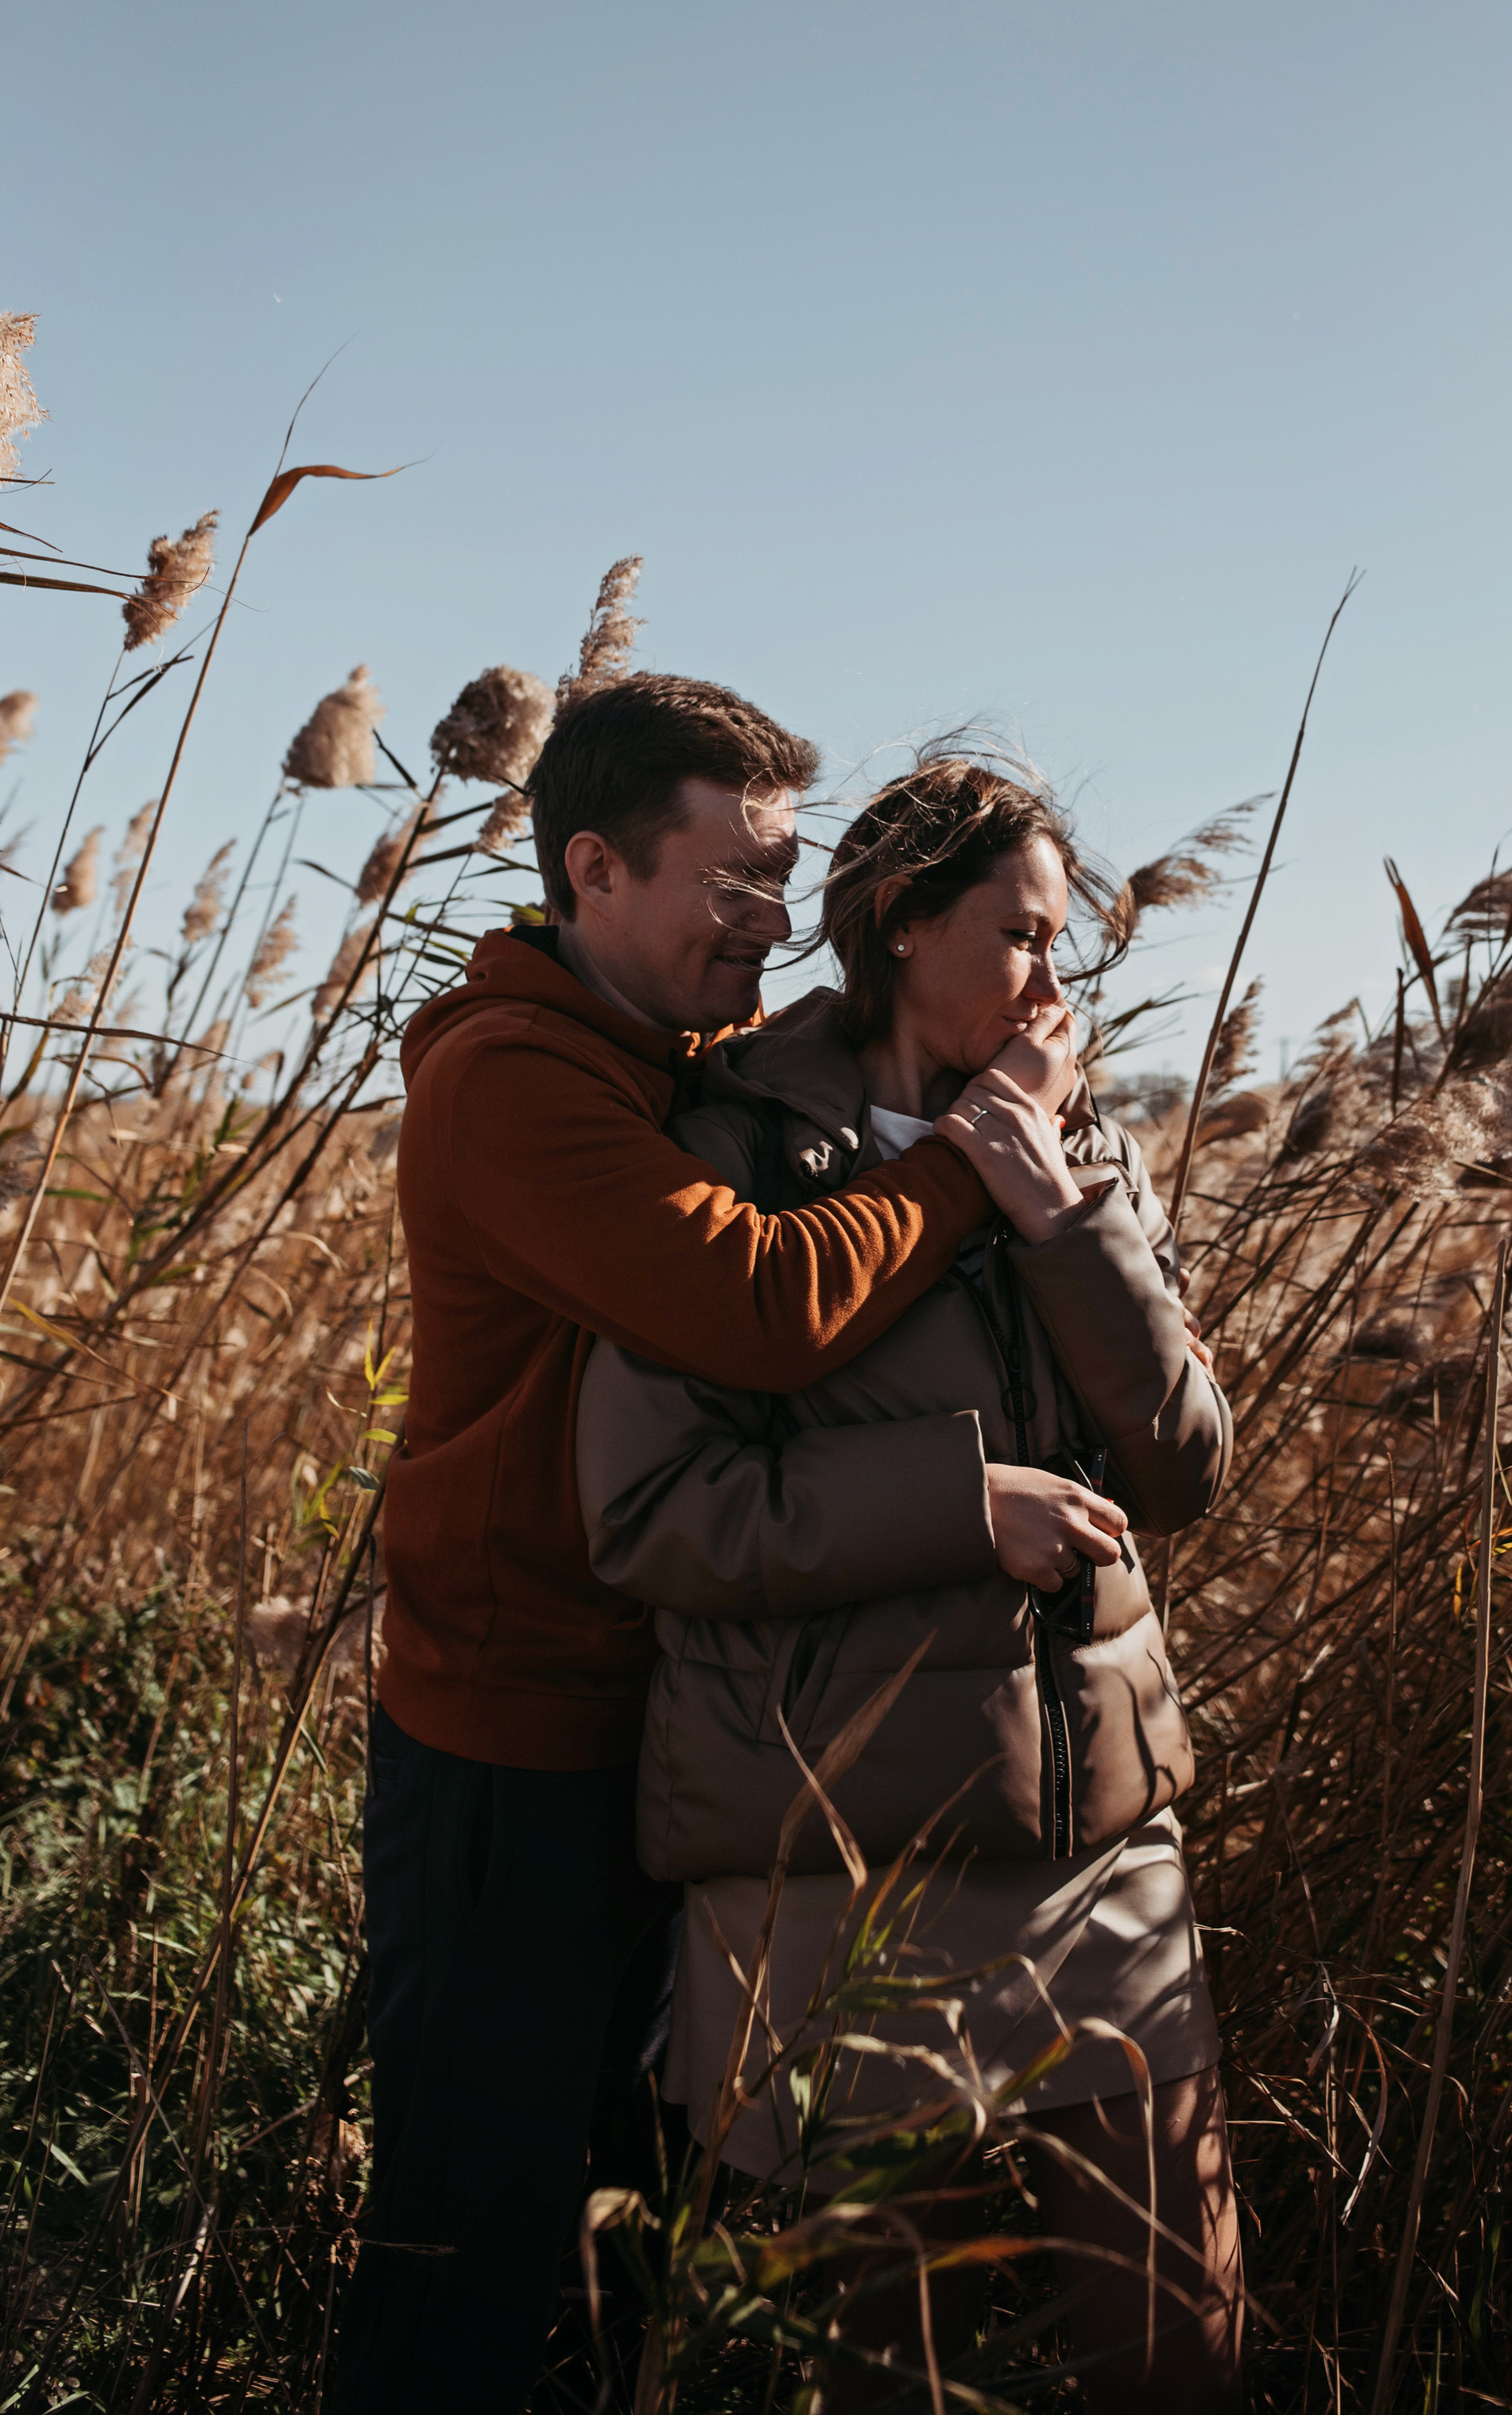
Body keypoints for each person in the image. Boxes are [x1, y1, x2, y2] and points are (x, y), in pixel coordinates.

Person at [331, 680, 1078, 2415]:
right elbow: (758, 1304)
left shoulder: (689, 1071)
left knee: (627, 2237)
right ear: (592, 869)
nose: (768, 920)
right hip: (510, 1742)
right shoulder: (517, 1084)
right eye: (730, 882)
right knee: (465, 2241)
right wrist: (978, 1152)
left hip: (680, 1730)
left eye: (786, 879)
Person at [576, 753, 1244, 2411]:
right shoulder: (723, 1146)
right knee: (885, 2378)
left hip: (1094, 1856)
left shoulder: (1077, 1143)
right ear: (895, 924)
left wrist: (1055, 1220)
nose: (1052, 981)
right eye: (1019, 937)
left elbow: (1180, 1463)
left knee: (1183, 2349)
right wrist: (960, 1504)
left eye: (1061, 945)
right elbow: (655, 1510)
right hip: (830, 1879)